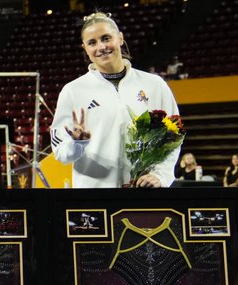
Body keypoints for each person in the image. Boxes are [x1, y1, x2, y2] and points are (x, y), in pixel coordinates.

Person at [51, 12, 180, 188]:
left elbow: (173, 136)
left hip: (143, 190)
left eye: (106, 38)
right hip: (94, 197)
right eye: (92, 42)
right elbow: (61, 153)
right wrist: (77, 144)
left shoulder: (154, 84)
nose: (101, 47)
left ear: (120, 38)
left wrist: (161, 176)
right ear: (85, 48)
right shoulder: (73, 91)